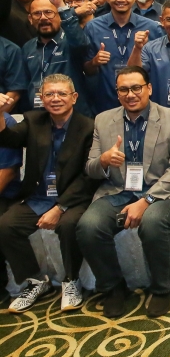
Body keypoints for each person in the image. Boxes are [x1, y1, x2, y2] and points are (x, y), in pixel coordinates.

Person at [77, 66, 170, 319]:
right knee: (88, 226)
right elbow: (90, 168)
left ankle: (162, 290)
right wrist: (105, 161)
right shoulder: (103, 120)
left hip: (164, 190)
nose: (130, 94)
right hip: (118, 189)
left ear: (148, 89)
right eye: (123, 89)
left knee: (153, 223)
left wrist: (146, 201)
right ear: (117, 93)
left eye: (136, 88)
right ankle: (113, 288)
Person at [0, 75, 97, 312]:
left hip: (72, 198)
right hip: (38, 196)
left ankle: (71, 281)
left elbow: (88, 176)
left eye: (62, 94)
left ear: (74, 97)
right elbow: (8, 138)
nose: (56, 99)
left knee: (68, 225)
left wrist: (59, 208)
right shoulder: (33, 121)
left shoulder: (88, 127)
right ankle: (36, 281)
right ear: (41, 99)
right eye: (49, 94)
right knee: (6, 225)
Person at [83, 0, 164, 112]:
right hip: (105, 104)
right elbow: (86, 69)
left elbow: (159, 68)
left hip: (142, 103)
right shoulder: (92, 27)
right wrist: (95, 62)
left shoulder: (151, 28)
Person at [21, 0, 91, 115]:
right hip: (38, 116)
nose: (43, 18)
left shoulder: (71, 42)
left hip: (73, 116)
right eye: (37, 13)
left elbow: (81, 44)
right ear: (30, 19)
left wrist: (62, 7)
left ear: (59, 15)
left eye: (49, 12)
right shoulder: (27, 48)